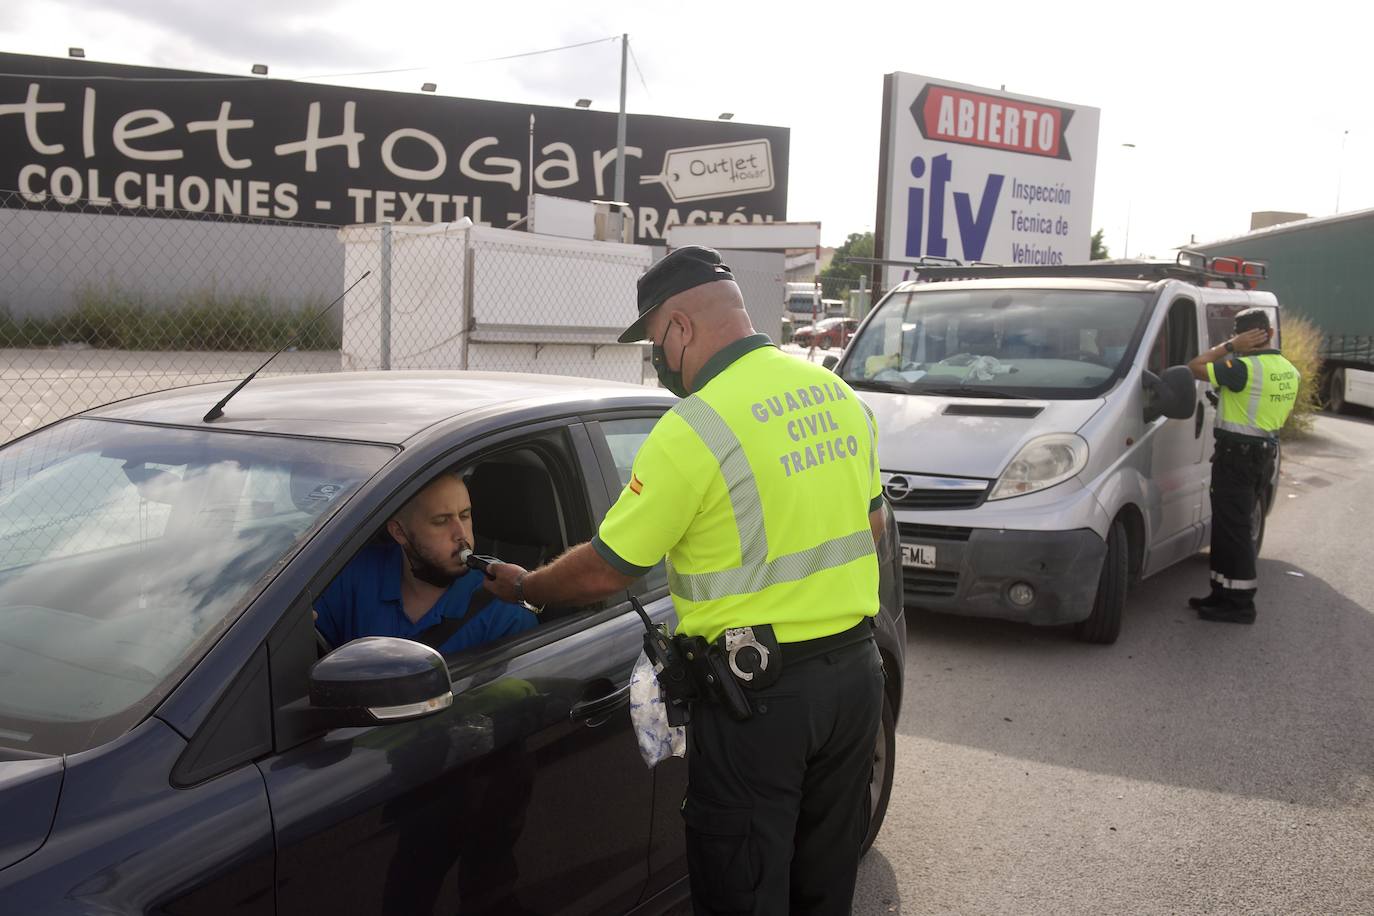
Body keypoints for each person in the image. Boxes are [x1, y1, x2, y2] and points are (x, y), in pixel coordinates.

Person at [483, 245, 888, 916]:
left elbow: (607, 569)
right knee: (824, 879)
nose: (658, 360)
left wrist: (528, 587)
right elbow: (870, 525)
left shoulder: (694, 427)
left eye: (652, 343)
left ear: (680, 327)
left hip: (761, 704)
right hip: (854, 678)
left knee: (745, 888)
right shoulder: (838, 395)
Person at [314, 469, 538, 653]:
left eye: (465, 515)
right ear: (399, 532)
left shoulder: (504, 608)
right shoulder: (352, 576)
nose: (461, 535)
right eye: (441, 521)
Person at [1186, 308, 1299, 624]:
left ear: (1242, 336)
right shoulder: (1289, 369)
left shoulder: (1241, 368)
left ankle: (1241, 605)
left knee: (1233, 530)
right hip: (1263, 456)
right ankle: (1221, 592)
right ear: (1270, 334)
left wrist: (1230, 346)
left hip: (1237, 458)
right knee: (1227, 527)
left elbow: (1194, 366)